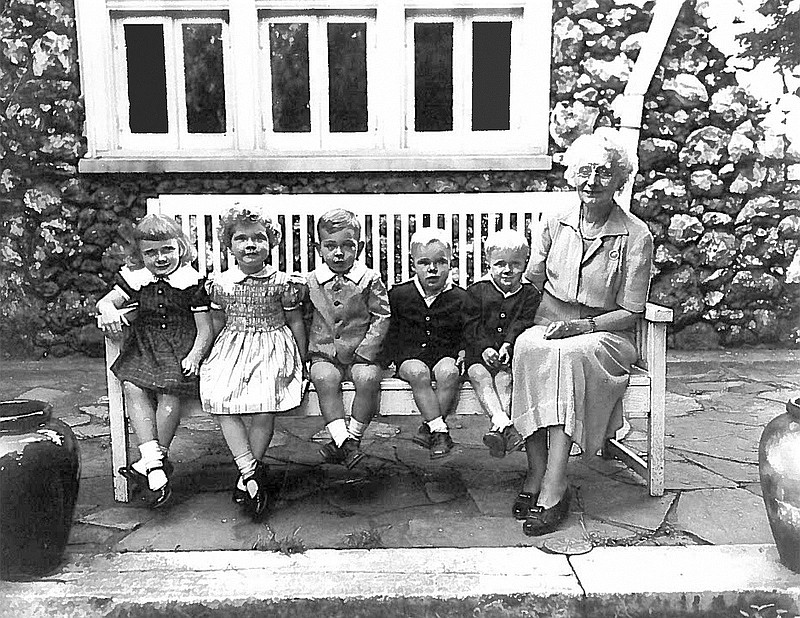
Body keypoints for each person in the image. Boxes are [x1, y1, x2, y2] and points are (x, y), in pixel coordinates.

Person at [511, 129, 654, 536]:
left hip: (604, 334)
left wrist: (584, 325)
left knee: (568, 355)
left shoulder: (636, 234)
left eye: (604, 173)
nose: (592, 181)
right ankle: (535, 472)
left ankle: (555, 484)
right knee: (528, 347)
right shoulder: (555, 220)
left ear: (619, 180)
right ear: (572, 175)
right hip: (549, 324)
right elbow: (532, 282)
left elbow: (631, 310)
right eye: (584, 171)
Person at [96, 214, 214, 509]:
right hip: (145, 343)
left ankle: (148, 465)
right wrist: (107, 308)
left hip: (179, 344)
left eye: (167, 250)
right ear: (140, 254)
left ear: (181, 248)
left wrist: (196, 355)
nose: (160, 258)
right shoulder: (136, 279)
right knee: (132, 387)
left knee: (168, 391)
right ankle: (156, 464)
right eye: (151, 252)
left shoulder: (191, 282)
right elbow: (107, 301)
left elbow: (205, 328)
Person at [200, 205, 306, 519]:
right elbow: (217, 322)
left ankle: (247, 475)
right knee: (218, 398)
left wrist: (302, 359)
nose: (250, 245)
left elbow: (296, 322)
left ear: (270, 243)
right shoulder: (221, 283)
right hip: (232, 345)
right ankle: (250, 472)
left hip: (273, 345)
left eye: (258, 238)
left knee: (265, 402)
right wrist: (206, 354)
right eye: (241, 239)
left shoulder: (283, 282)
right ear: (229, 246)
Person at [306, 208, 390, 469]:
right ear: (319, 248)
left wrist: (366, 349)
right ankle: (345, 443)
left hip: (360, 352)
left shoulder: (368, 279)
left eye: (347, 246)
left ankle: (349, 438)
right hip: (324, 352)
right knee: (323, 378)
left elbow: (381, 316)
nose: (339, 253)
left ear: (360, 247)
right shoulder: (310, 282)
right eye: (330, 246)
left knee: (368, 378)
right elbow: (303, 318)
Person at [383, 228, 466, 459]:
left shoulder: (461, 298)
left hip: (444, 355)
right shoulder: (399, 295)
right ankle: (440, 431)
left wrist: (463, 351)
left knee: (449, 372)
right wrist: (383, 360)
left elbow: (467, 331)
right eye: (424, 262)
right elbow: (390, 330)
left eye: (441, 262)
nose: (433, 269)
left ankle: (427, 427)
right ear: (413, 264)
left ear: (451, 263)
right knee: (418, 372)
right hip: (409, 358)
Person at [464, 229, 540, 458]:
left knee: (504, 378)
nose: (508, 270)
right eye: (500, 264)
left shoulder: (529, 294)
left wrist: (507, 345)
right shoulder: (477, 292)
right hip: (479, 354)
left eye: (515, 264)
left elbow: (525, 323)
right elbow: (470, 324)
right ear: (488, 263)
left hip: (510, 357)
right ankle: (504, 426)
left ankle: (498, 429)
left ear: (525, 263)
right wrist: (485, 347)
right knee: (478, 372)